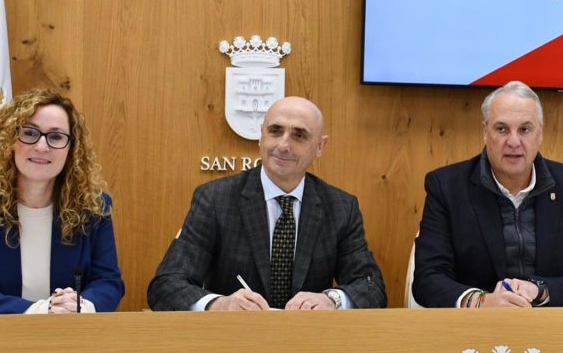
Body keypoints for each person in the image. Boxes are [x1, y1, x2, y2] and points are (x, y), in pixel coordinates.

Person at [148, 96, 386, 311]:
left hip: (309, 339)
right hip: (233, 338)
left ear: (320, 147)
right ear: (261, 136)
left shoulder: (341, 207)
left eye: (299, 135)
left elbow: (371, 287)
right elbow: (166, 285)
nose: (283, 145)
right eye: (275, 131)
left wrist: (331, 300)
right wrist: (219, 304)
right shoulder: (215, 199)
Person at [413, 81, 563, 308]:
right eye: (502, 129)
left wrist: (541, 290)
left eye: (524, 130)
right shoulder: (446, 187)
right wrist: (480, 302)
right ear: (485, 132)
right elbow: (427, 279)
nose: (513, 142)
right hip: (474, 325)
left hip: (551, 325)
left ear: (540, 134)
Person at [0, 88, 124, 314]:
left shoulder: (93, 208)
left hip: (69, 333)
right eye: (29, 133)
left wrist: (79, 307)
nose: (41, 146)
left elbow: (108, 281)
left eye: (56, 137)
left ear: (72, 149)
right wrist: (42, 311)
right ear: (9, 141)